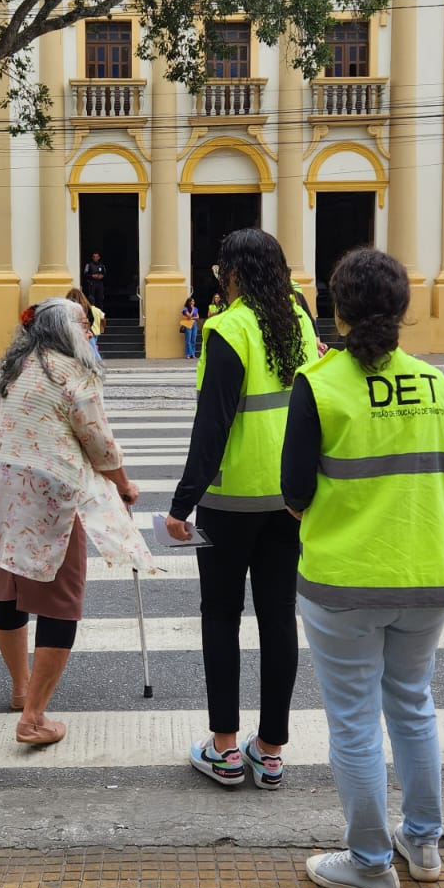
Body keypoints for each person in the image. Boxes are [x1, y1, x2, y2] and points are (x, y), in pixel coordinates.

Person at [282, 247, 444, 888]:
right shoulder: (437, 384)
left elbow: (293, 493)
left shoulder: (320, 383)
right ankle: (422, 844)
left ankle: (369, 865)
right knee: (414, 705)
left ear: (336, 311)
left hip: (345, 582)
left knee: (356, 723)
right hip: (429, 573)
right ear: (403, 312)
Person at [0, 297, 148, 745]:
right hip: (48, 496)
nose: (90, 331)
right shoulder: (75, 374)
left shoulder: (18, 367)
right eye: (85, 324)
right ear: (67, 331)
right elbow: (100, 445)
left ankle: (20, 688)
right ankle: (33, 718)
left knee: (7, 586)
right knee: (59, 599)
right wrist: (124, 485)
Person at [163, 229, 318, 791]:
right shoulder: (299, 322)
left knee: (220, 618)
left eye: (218, 270)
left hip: (229, 504)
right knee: (278, 618)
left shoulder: (227, 328)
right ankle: (270, 751)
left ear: (231, 273)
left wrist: (182, 504)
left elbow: (214, 425)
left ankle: (226, 751)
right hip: (287, 501)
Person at [66, 288, 102, 362]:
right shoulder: (86, 306)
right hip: (85, 332)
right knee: (93, 350)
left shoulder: (67, 306)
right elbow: (91, 319)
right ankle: (97, 365)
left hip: (71, 333)